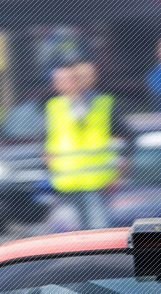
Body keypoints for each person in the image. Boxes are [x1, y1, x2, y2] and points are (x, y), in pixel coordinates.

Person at [43, 61, 118, 231]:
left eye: (68, 79)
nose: (62, 83)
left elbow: (126, 137)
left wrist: (121, 169)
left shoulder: (102, 103)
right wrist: (48, 158)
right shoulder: (54, 106)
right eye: (59, 80)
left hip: (96, 180)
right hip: (66, 180)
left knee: (99, 230)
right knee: (72, 232)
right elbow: (48, 138)